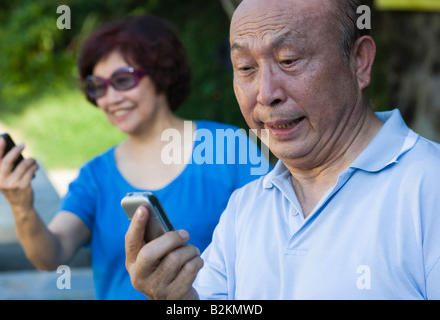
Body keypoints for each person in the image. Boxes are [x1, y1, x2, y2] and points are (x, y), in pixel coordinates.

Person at [125, 0, 440, 300]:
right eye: (246, 67)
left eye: (289, 60)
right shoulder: (245, 206)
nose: (265, 94)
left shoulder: (428, 187)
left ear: (359, 61)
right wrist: (174, 297)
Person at [0, 14, 269, 300]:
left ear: (162, 72)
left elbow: (272, 244)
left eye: (122, 80)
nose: (109, 98)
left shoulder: (229, 147)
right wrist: (20, 205)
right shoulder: (95, 175)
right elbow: (50, 255)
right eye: (97, 86)